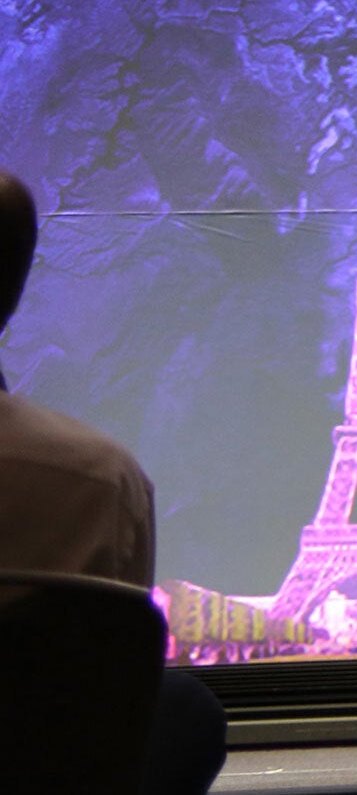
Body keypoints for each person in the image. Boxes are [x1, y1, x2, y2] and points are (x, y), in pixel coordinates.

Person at [0, 171, 227, 794]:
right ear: (15, 289)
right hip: (39, 761)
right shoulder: (103, 478)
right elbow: (116, 670)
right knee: (185, 709)